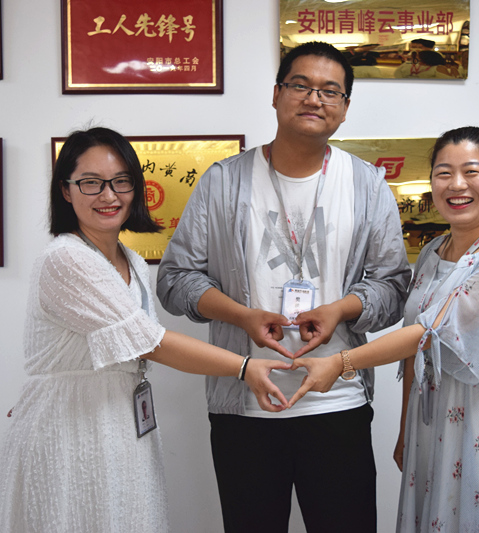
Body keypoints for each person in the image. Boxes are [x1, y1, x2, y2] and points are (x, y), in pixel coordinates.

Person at [156, 41, 411, 533]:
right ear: (276, 95)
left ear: (345, 108)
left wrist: (342, 309)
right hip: (245, 402)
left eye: (330, 91)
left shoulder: (366, 184)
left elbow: (393, 286)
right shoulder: (223, 181)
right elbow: (175, 279)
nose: (314, 98)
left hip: (338, 398)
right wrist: (242, 315)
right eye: (301, 85)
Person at [0, 127, 291, 533]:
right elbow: (152, 343)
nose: (108, 195)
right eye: (91, 183)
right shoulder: (65, 258)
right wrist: (244, 367)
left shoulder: (132, 261)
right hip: (69, 427)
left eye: (121, 181)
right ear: (66, 190)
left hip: (120, 422)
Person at [290, 127, 479, 532]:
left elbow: (428, 334)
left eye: (471, 171)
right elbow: (416, 351)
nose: (456, 184)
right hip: (428, 421)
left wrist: (340, 363)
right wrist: (405, 429)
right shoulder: (432, 251)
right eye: (444, 172)